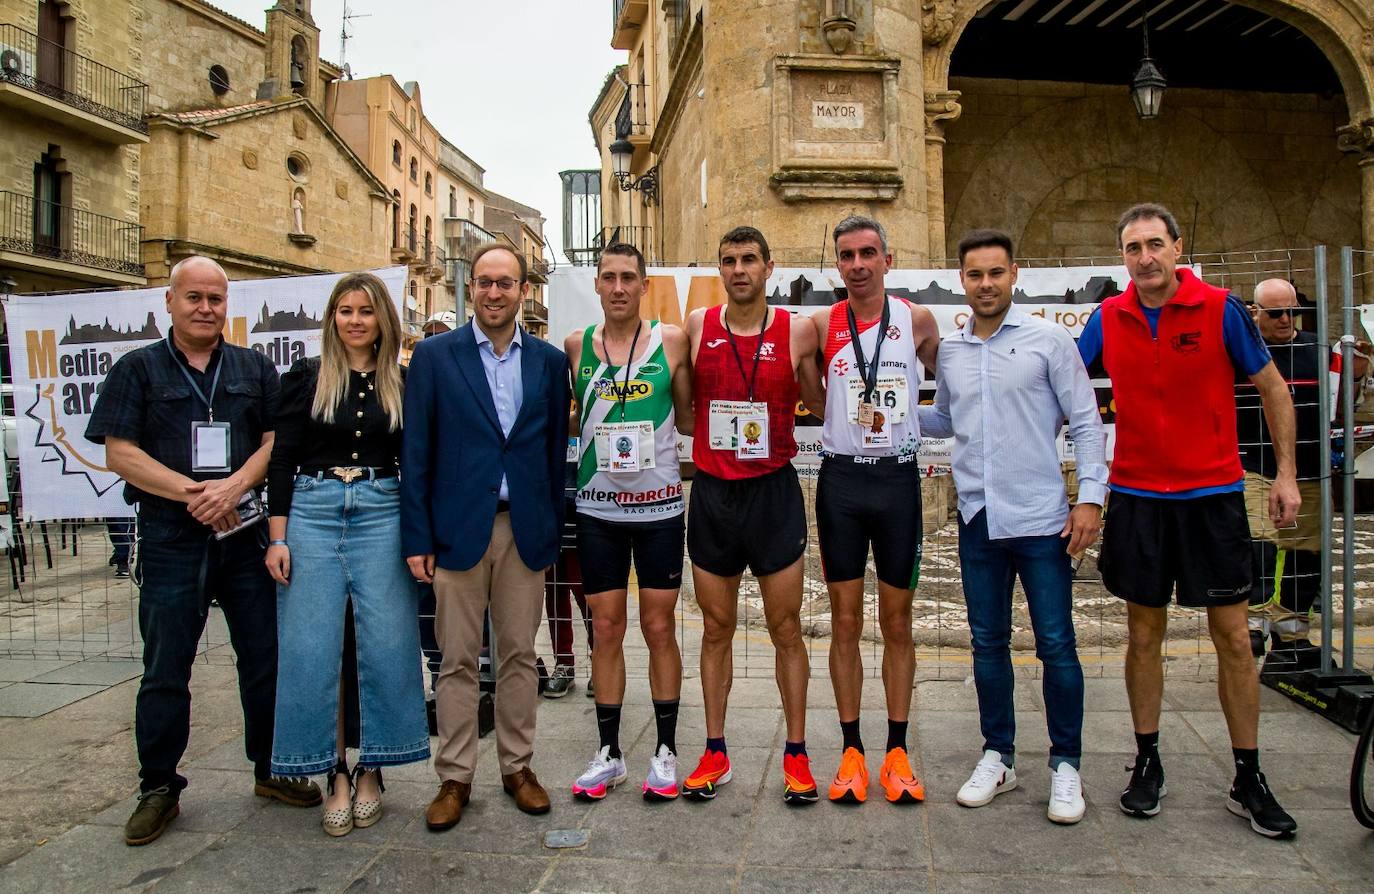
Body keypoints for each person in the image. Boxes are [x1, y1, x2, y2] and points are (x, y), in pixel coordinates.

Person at [1078, 203, 1301, 838]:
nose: (1144, 257)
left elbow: (1274, 388)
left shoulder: (1221, 309)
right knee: (1143, 637)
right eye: (1131, 248)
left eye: (1155, 244)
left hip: (1213, 499)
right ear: (1121, 257)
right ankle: (1147, 760)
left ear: (1178, 248)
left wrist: (1285, 475)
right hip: (1139, 500)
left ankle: (1247, 774)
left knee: (1233, 637)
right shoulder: (1108, 318)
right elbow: (1060, 385)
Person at [87, 255, 320, 846]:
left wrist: (234, 486)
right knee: (166, 667)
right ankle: (158, 786)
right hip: (171, 535)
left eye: (215, 299)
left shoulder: (254, 367)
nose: (205, 308)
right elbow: (119, 451)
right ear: (169, 301)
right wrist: (194, 493)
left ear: (227, 305)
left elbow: (276, 441)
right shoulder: (135, 370)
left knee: (263, 656)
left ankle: (272, 769)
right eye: (193, 297)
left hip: (244, 537)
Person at [919, 229, 1106, 824]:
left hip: (1042, 518)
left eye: (995, 273)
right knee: (987, 645)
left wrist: (1091, 500)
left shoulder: (1049, 341)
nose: (985, 284)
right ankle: (998, 755)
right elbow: (944, 418)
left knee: (1056, 645)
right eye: (974, 275)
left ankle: (1066, 765)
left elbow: (1085, 422)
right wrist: (885, 411)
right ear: (961, 281)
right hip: (978, 517)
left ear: (1014, 274)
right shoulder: (950, 352)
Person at [402, 243, 570, 831]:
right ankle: (455, 776)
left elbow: (553, 457)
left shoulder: (549, 363)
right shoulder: (433, 357)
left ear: (524, 291)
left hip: (522, 531)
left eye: (506, 283)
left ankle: (518, 767)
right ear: (469, 287)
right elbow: (416, 451)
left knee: (521, 655)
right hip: (456, 532)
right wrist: (418, 537)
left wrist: (548, 526)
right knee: (455, 660)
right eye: (484, 282)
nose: (494, 293)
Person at [264, 272, 430, 836]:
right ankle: (331, 769)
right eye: (345, 311)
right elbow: (281, 459)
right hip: (311, 509)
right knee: (314, 645)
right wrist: (278, 537)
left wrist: (417, 539)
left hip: (382, 508)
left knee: (387, 641)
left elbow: (415, 469)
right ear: (332, 318)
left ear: (384, 319)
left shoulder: (402, 384)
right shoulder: (306, 379)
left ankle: (373, 768)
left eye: (366, 311)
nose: (355, 321)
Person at [797, 215, 938, 805]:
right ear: (837, 264)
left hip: (898, 484)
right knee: (847, 622)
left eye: (867, 254)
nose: (857, 265)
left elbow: (943, 378)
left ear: (887, 258)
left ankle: (898, 750)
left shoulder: (917, 320)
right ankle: (852, 749)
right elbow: (808, 395)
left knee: (898, 623)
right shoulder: (820, 325)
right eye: (847, 256)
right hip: (843, 486)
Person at [683, 226, 821, 804]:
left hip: (773, 494)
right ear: (721, 270)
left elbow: (817, 398)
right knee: (716, 629)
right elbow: (686, 407)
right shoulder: (697, 325)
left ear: (769, 267)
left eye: (748, 260)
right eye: (728, 261)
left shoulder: (798, 329)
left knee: (786, 628)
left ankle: (796, 753)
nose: (738, 270)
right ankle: (715, 750)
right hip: (714, 494)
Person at [565, 242, 693, 801]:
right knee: (607, 627)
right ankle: (610, 752)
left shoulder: (671, 341)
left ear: (645, 286)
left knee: (660, 626)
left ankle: (665, 750)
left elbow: (687, 412)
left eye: (629, 278)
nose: (618, 287)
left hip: (661, 506)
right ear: (596, 285)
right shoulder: (575, 347)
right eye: (608, 277)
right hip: (598, 510)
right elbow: (570, 418)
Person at [1240, 279, 1369, 659]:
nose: (1286, 319)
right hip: (1253, 464)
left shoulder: (1319, 350)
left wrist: (1358, 373)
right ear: (1256, 312)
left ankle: (1292, 629)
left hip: (1311, 466)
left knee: (1305, 553)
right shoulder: (1242, 351)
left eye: (1293, 311)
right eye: (1276, 312)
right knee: (1257, 545)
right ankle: (1252, 624)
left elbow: (1346, 407)